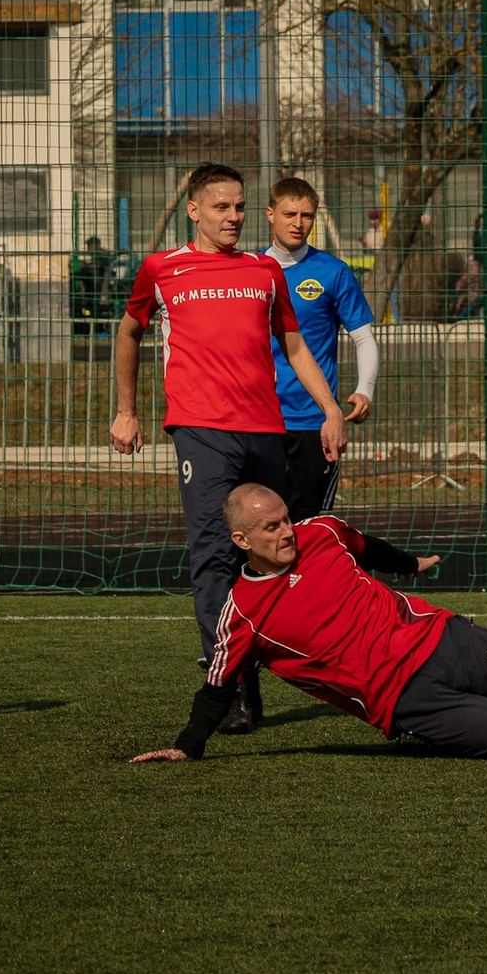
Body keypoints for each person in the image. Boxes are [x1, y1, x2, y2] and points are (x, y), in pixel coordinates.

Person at [131, 485, 487, 763]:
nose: (286, 532)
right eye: (271, 528)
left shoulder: (321, 532)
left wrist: (411, 564)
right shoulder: (242, 613)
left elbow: (367, 545)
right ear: (241, 541)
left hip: (447, 638)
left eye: (285, 520)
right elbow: (216, 690)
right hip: (404, 700)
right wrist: (187, 746)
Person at [111, 162, 348, 736]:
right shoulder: (162, 269)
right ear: (194, 210)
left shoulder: (265, 271)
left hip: (266, 430)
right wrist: (126, 409)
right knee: (216, 553)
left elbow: (292, 342)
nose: (234, 217)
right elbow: (128, 331)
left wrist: (330, 408)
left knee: (270, 557)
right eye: (222, 207)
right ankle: (234, 689)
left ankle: (287, 664)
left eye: (241, 207)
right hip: (201, 429)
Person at [263, 176, 379, 517]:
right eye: (289, 214)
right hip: (259, 421)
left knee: (310, 529)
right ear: (270, 214)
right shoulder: (249, 269)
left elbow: (364, 338)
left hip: (315, 422)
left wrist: (365, 389)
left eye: (307, 215)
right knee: (259, 525)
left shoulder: (333, 271)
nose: (299, 224)